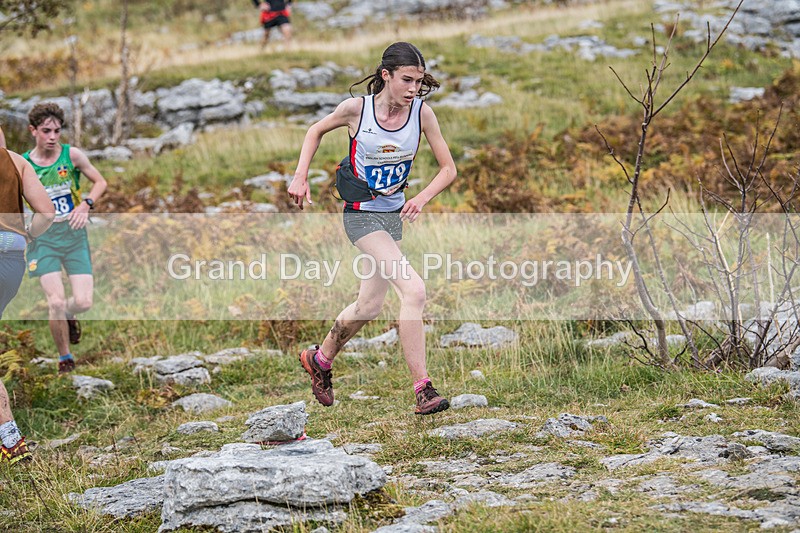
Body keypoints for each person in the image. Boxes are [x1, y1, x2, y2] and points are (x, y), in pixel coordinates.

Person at [289, 42, 457, 415]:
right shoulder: (357, 110)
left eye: (419, 81)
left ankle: (320, 359)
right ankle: (423, 389)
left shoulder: (422, 114)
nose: (414, 89)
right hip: (360, 215)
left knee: (369, 306)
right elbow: (315, 131)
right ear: (386, 75)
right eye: (406, 80)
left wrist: (421, 198)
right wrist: (300, 176)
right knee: (414, 290)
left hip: (392, 217)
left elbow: (449, 169)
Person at [23, 103, 107, 374]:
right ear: (33, 130)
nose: (52, 137)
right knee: (56, 301)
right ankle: (65, 359)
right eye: (46, 131)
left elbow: (100, 182)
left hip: (73, 236)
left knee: (83, 302)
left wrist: (86, 205)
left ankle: (68, 314)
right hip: (42, 239)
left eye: (57, 131)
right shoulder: (23, 164)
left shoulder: (72, 156)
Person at [0, 139, 56, 464]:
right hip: (12, 260)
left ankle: (11, 441)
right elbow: (46, 213)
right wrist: (29, 236)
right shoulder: (18, 162)